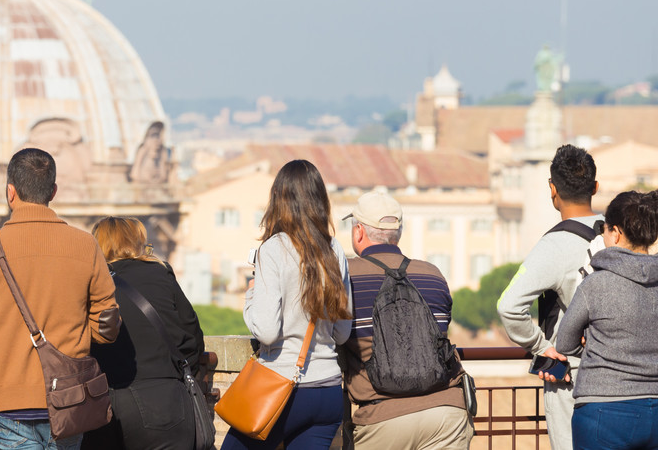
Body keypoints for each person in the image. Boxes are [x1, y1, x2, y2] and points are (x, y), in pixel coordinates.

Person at [0, 147, 121, 450]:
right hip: (69, 397)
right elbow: (107, 327)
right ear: (53, 191)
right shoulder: (85, 245)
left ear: (10, 192)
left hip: (9, 398)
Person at [222, 159, 352, 450]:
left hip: (283, 390)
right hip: (329, 390)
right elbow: (342, 333)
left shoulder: (273, 249)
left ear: (278, 199)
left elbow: (266, 332)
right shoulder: (335, 250)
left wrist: (250, 294)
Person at [340, 191, 473, 449]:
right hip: (447, 411)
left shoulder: (346, 276)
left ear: (358, 232)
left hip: (381, 417)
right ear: (397, 234)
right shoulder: (432, 274)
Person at [498, 144, 600, 450]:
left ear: (552, 189)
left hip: (573, 378)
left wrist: (542, 348)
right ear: (595, 187)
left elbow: (508, 306)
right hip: (631, 378)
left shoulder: (554, 244)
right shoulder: (619, 231)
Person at [82, 216, 205, 450]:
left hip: (104, 399)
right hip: (163, 398)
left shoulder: (90, 280)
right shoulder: (160, 274)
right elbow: (191, 334)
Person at [556, 191, 658, 450]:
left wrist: (592, 343)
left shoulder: (596, 284)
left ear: (616, 232)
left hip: (603, 410)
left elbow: (564, 343)